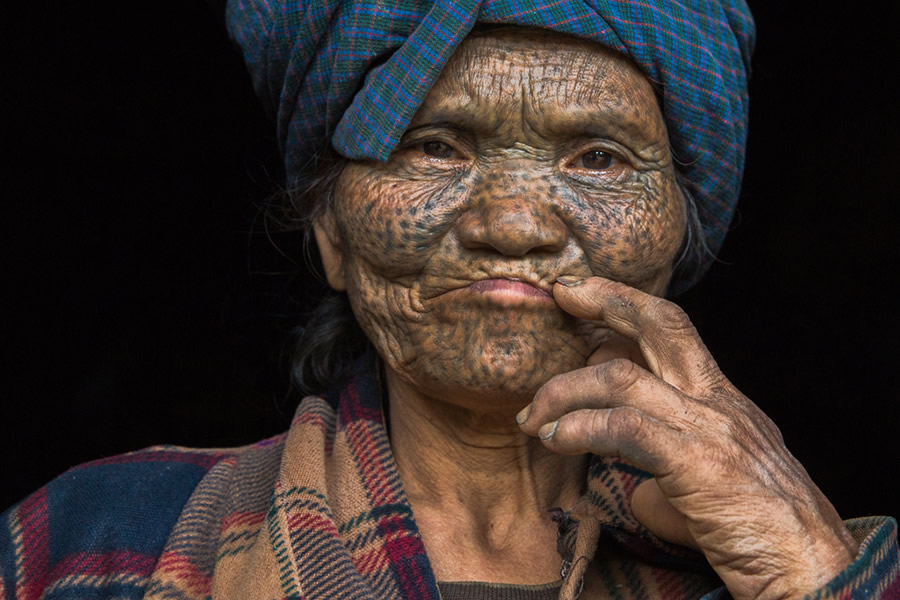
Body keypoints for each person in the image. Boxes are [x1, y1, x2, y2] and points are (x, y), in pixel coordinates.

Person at [1, 1, 897, 599]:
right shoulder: (101, 543)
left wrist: (811, 567)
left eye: (598, 158)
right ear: (332, 234)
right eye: (435, 146)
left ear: (679, 236)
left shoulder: (773, 559)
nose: (511, 225)